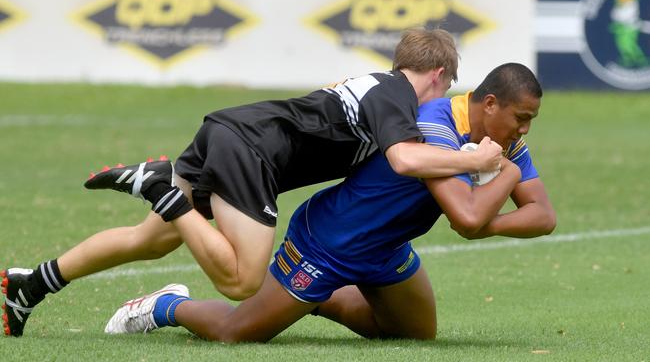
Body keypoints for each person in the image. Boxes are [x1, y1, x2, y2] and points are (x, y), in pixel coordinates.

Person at [1, 27, 503, 337]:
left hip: (228, 130)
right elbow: (403, 159)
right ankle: (163, 191)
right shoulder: (395, 93)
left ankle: (33, 284)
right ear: (437, 74)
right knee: (241, 280)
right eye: (446, 88)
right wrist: (473, 157)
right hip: (251, 154)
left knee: (148, 241)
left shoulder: (371, 82)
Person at [102, 62, 556, 342]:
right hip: (329, 242)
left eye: (531, 122)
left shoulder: (499, 139)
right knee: (233, 333)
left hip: (387, 250)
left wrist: (490, 202)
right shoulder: (437, 121)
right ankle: (163, 306)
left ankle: (314, 301)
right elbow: (467, 216)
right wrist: (507, 174)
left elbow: (543, 216)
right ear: (490, 103)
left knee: (413, 334)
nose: (524, 132)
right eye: (521, 119)